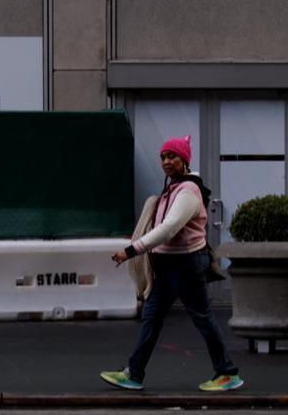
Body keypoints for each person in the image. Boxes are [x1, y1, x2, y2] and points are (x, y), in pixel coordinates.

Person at [100, 135, 244, 392]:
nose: (166, 162)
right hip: (169, 266)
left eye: (172, 157)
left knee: (202, 318)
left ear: (184, 160)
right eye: (163, 157)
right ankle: (134, 373)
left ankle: (227, 373)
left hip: (187, 264)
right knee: (152, 317)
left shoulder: (189, 191)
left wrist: (132, 250)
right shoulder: (174, 188)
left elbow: (168, 229)